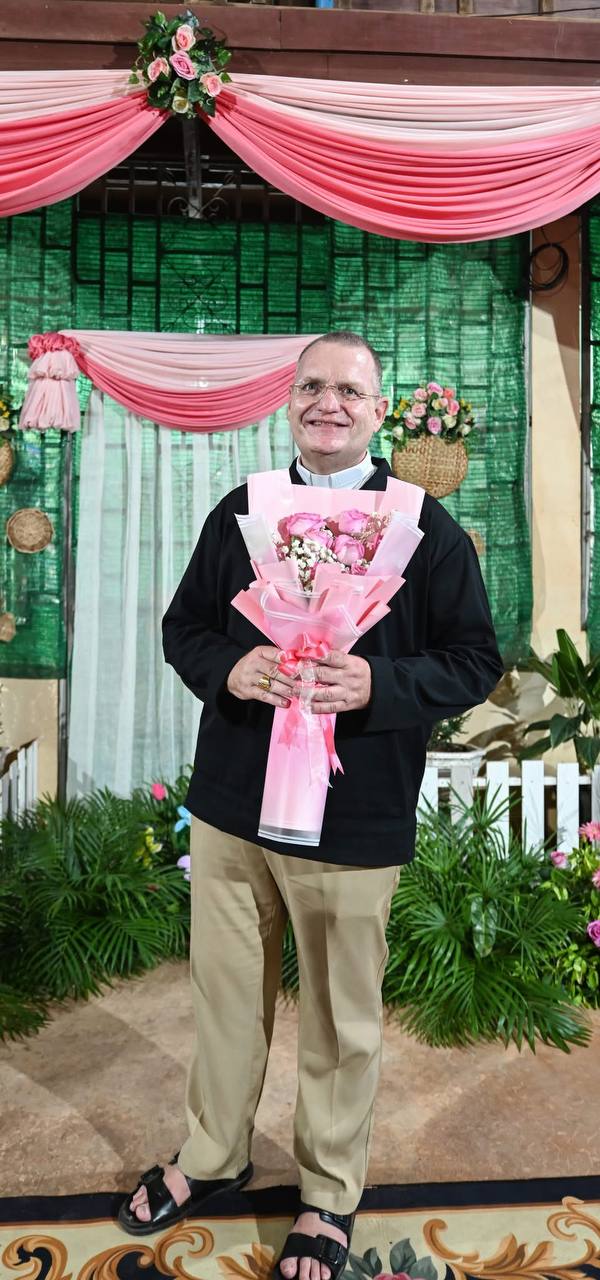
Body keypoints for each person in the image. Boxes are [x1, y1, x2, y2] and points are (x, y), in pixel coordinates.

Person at [119, 331, 504, 1274]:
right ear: (289, 403)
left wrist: (378, 686)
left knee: (340, 1016)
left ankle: (329, 1194)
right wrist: (231, 666)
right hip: (232, 803)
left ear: (379, 411)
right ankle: (213, 1155)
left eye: (349, 390)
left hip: (354, 810)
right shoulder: (243, 511)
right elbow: (185, 628)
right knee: (222, 996)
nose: (328, 403)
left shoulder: (425, 527)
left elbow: (473, 661)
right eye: (312, 387)